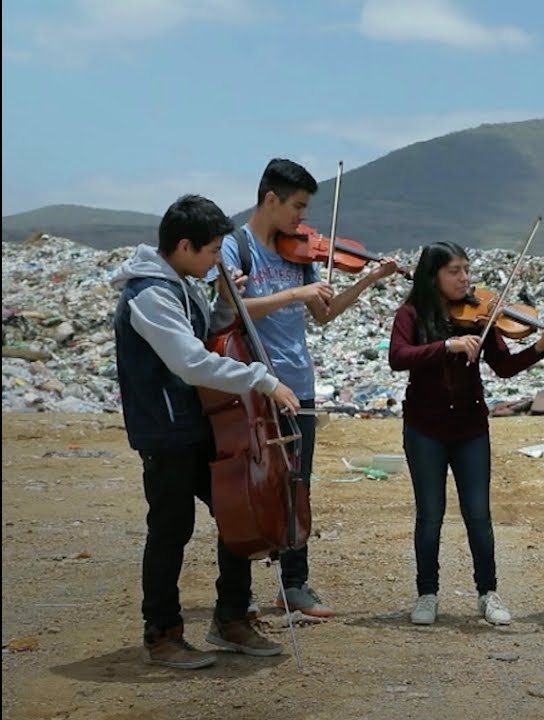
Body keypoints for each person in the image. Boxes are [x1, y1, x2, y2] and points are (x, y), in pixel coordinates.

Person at [112, 194, 302, 669]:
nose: (219, 259)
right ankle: (162, 633)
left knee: (236, 512)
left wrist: (221, 303)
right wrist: (263, 378)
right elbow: (191, 361)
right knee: (171, 529)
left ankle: (232, 617)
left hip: (198, 425)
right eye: (213, 250)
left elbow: (206, 335)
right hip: (165, 431)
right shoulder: (149, 294)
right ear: (183, 245)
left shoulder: (182, 282)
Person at [219, 158, 399, 618]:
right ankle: (237, 592)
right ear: (270, 199)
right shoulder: (235, 247)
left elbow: (324, 312)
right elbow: (233, 311)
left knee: (297, 486)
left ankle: (294, 585)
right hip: (255, 384)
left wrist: (368, 279)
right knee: (254, 484)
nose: (302, 219)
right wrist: (293, 295)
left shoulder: (298, 253)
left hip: (299, 383)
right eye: (297, 207)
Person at [388, 242, 544, 626]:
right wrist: (446, 345)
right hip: (424, 428)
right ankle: (427, 594)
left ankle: (488, 593)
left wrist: (539, 346)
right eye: (454, 271)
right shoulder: (411, 314)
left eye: (466, 270)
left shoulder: (480, 316)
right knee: (430, 515)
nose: (465, 278)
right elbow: (398, 357)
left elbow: (503, 366)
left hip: (470, 428)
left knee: (478, 514)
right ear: (432, 274)